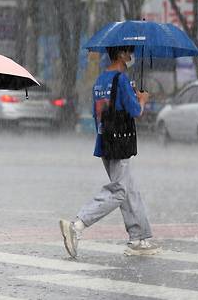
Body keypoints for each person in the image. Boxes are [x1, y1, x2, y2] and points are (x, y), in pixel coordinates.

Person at [59, 45, 161, 258]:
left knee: (129, 189)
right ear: (122, 54)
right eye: (129, 52)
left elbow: (100, 111)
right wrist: (141, 98)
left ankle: (139, 238)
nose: (131, 57)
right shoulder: (121, 79)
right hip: (120, 142)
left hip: (105, 140)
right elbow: (135, 111)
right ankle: (77, 224)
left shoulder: (100, 80)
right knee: (120, 191)